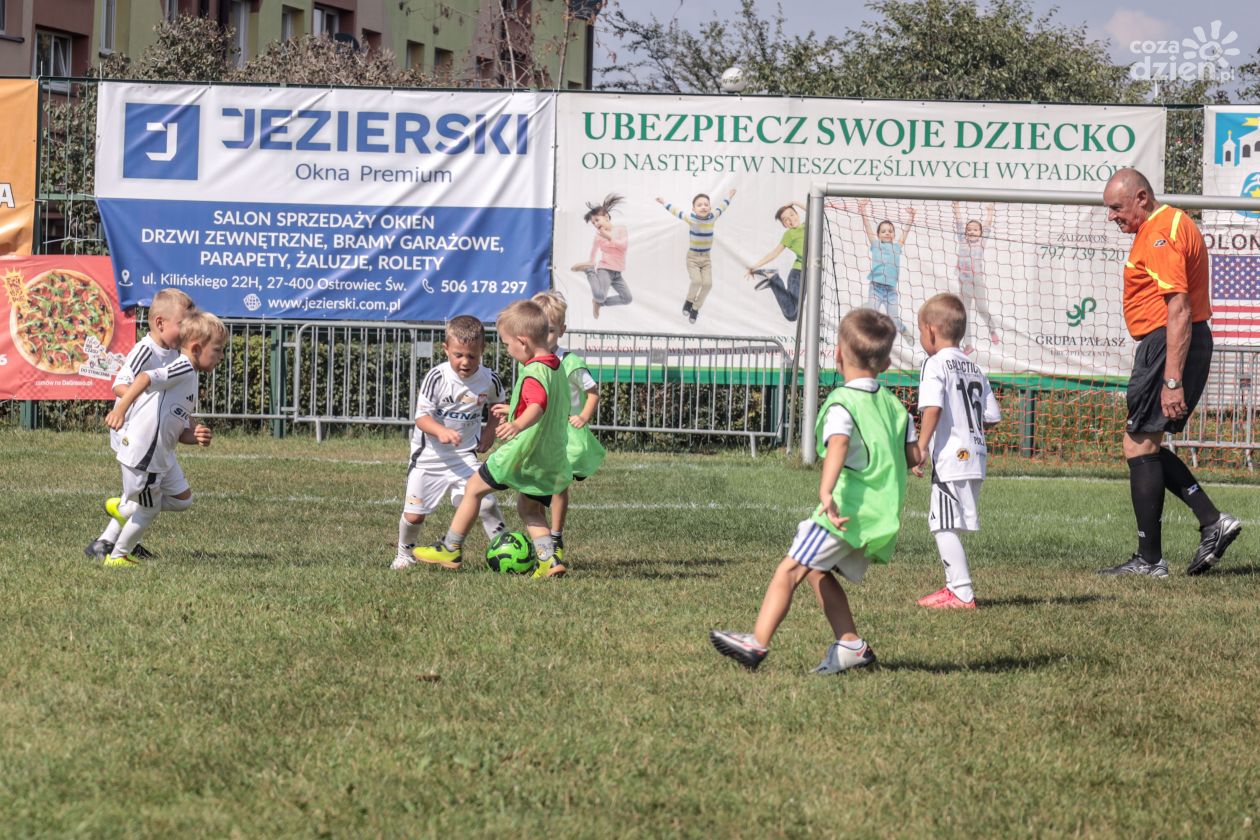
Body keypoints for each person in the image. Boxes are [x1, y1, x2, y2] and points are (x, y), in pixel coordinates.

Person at [710, 308, 920, 673]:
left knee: (790, 569)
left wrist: (826, 493)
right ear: (886, 364)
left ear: (837, 354)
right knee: (816, 571)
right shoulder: (895, 406)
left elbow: (838, 444)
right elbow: (914, 456)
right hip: (878, 517)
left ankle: (756, 643)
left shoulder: (843, 403)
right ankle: (851, 645)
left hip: (843, 513)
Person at [1099, 167, 1241, 577]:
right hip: (1178, 340)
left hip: (1169, 342)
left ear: (1142, 198)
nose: (1112, 216)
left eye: (1117, 207)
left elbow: (1178, 307)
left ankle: (1151, 559)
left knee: (1138, 445)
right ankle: (1211, 522)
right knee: (1144, 444)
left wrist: (1172, 380)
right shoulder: (1175, 222)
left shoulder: (1160, 232)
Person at [413, 300, 573, 578]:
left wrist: (517, 423)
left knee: (473, 488)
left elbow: (538, 405)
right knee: (529, 509)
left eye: (507, 344)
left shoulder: (534, 371)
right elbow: (547, 402)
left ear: (522, 342)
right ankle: (549, 560)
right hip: (551, 454)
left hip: (525, 452)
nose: (507, 350)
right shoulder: (556, 367)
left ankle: (451, 547)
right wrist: (513, 408)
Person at [99, 310, 227, 568]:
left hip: (161, 455)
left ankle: (125, 509)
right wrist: (120, 410)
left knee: (183, 500)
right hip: (145, 455)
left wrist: (195, 435)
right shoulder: (182, 367)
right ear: (196, 348)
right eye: (218, 350)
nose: (222, 357)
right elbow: (145, 377)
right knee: (149, 509)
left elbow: (177, 426)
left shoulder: (191, 376)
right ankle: (118, 556)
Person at [85, 288, 196, 562]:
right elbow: (120, 384)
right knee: (144, 495)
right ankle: (117, 544)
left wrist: (189, 425)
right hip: (133, 434)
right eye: (182, 324)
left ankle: (108, 539)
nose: (187, 331)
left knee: (177, 498)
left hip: (156, 438)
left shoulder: (177, 354)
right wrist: (145, 399)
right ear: (160, 323)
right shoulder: (144, 350)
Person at [391, 315, 508, 570]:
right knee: (414, 516)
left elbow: (499, 406)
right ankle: (404, 554)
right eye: (458, 355)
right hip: (429, 457)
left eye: (472, 356)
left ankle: (505, 549)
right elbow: (421, 417)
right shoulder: (437, 377)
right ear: (446, 349)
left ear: (482, 350)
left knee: (485, 502)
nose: (465, 362)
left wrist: (490, 431)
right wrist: (440, 431)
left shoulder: (489, 379)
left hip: (464, 456)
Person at [913, 293, 1001, 609]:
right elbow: (992, 416)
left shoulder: (934, 363)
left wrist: (921, 447)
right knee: (947, 521)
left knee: (941, 524)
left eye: (920, 331)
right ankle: (952, 587)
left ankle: (961, 592)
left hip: (952, 457)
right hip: (975, 455)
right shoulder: (973, 367)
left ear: (931, 330)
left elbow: (933, 407)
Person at [532, 291, 606, 568]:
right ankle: (541, 540)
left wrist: (583, 416)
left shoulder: (570, 362)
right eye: (539, 330)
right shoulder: (530, 361)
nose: (545, 337)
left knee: (557, 484)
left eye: (550, 330)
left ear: (562, 331)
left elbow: (593, 392)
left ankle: (556, 536)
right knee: (534, 486)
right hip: (538, 433)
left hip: (563, 435)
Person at [656, 188, 736, 324]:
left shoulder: (712, 218)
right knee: (697, 282)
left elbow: (722, 207)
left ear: (710, 208)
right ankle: (689, 301)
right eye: (699, 205)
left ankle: (695, 308)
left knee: (708, 284)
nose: (703, 207)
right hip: (693, 258)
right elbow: (677, 212)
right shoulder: (691, 219)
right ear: (694, 209)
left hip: (706, 259)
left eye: (706, 205)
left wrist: (729, 197)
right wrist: (664, 203)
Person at [858, 199, 916, 340]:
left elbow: (905, 232)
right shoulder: (876, 245)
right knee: (871, 316)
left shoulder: (897, 247)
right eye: (883, 231)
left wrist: (911, 217)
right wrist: (863, 210)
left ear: (894, 235)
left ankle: (903, 329)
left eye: (890, 231)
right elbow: (868, 227)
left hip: (890, 291)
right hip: (876, 288)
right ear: (878, 235)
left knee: (893, 321)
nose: (887, 233)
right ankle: (869, 310)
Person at [571, 194, 632, 320]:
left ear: (606, 217)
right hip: (605, 269)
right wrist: (590, 262)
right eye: (593, 222)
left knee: (627, 298)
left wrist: (608, 236)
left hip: (617, 273)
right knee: (600, 296)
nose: (595, 224)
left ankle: (599, 304)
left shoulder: (621, 230)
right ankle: (589, 271)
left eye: (597, 220)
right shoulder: (598, 236)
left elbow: (623, 246)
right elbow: (594, 250)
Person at [952, 201, 1001, 353]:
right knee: (965, 312)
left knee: (982, 308)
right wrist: (956, 207)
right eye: (969, 230)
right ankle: (968, 344)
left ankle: (992, 330)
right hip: (964, 280)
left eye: (975, 229)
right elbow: (959, 223)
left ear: (980, 232)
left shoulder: (981, 242)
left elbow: (987, 226)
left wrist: (990, 212)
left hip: (977, 279)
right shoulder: (962, 241)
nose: (972, 232)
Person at [745, 200, 806, 322]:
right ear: (784, 225)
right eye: (786, 220)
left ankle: (774, 281)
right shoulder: (789, 234)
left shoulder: (807, 225)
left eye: (792, 215)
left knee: (793, 316)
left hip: (809, 274)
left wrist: (795, 202)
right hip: (798, 275)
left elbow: (815, 211)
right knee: (791, 313)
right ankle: (774, 278)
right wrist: (755, 266)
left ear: (797, 215)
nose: (790, 219)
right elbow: (774, 253)